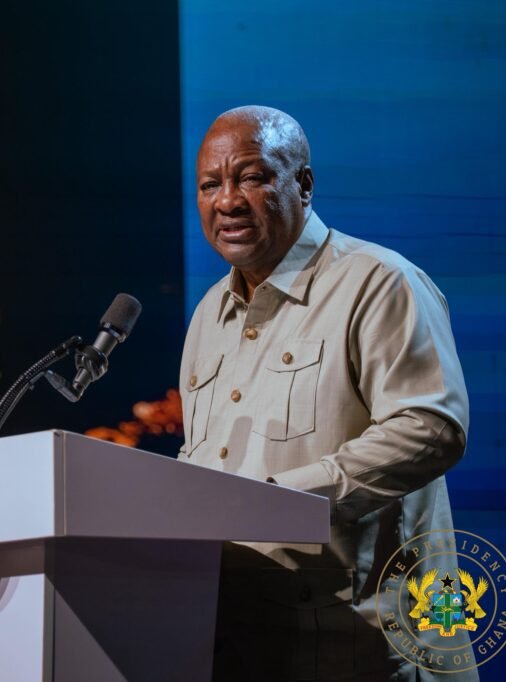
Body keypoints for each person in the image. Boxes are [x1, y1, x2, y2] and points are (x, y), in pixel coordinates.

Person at [179, 106, 474, 680]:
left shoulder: (379, 281)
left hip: (356, 646)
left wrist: (283, 502)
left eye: (252, 177)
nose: (228, 201)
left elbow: (432, 427)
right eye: (210, 185)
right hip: (239, 641)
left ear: (304, 184)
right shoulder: (207, 314)